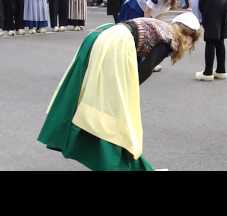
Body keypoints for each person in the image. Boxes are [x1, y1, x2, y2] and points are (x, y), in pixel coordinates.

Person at [37, 12, 202, 171]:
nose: (189, 45)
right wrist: (127, 91)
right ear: (185, 34)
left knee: (97, 99)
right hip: (117, 46)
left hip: (105, 37)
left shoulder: (163, 28)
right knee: (118, 112)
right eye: (191, 39)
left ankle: (89, 143)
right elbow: (144, 70)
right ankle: (114, 158)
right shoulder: (168, 40)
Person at [184, 0, 227, 81]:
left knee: (210, 38)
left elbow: (195, 3)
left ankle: (208, 72)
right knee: (220, 38)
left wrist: (199, 21)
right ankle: (221, 70)